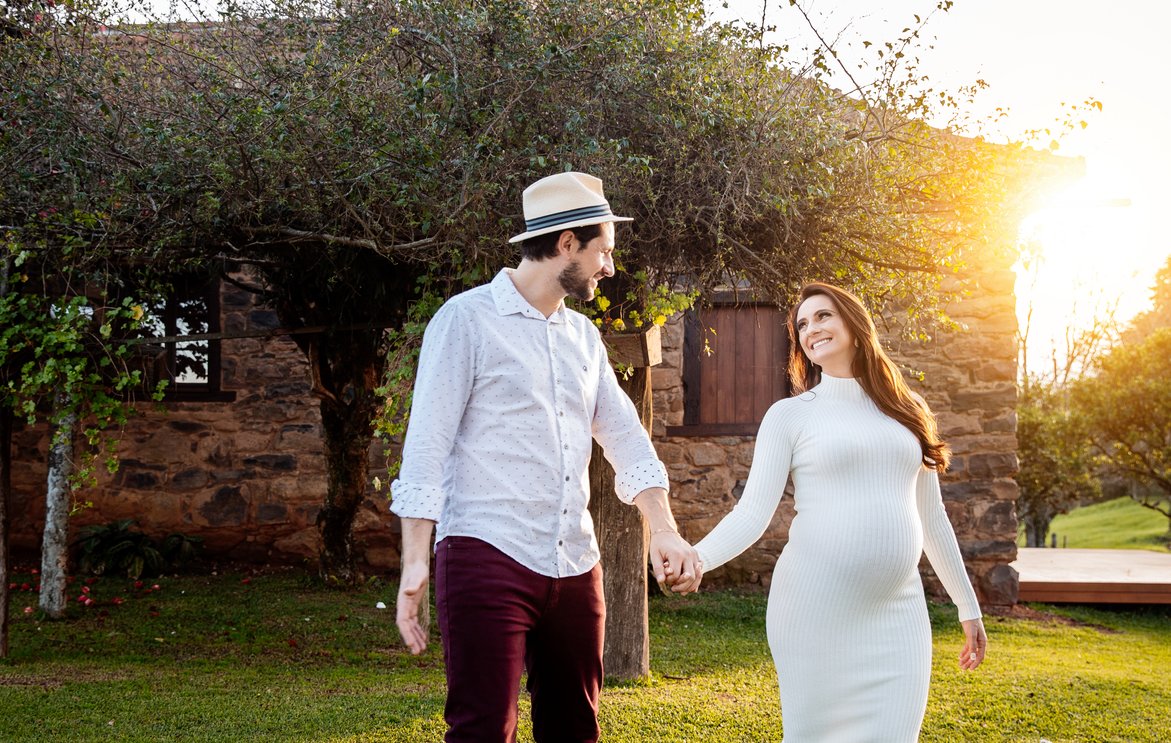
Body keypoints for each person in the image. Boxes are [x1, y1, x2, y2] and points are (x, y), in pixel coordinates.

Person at [390, 171, 698, 743]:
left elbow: (626, 438)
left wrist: (664, 529)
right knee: (484, 729)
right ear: (566, 245)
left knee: (576, 729)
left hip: (576, 565)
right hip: (487, 555)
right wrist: (415, 563)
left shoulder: (584, 338)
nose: (609, 266)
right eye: (603, 251)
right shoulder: (465, 321)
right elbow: (426, 449)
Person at [690, 282, 988, 743]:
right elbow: (753, 513)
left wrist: (968, 608)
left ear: (853, 322)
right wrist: (699, 559)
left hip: (898, 612)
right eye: (802, 324)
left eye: (823, 316)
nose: (812, 329)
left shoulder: (909, 410)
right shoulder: (790, 416)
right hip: (812, 611)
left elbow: (933, 519)